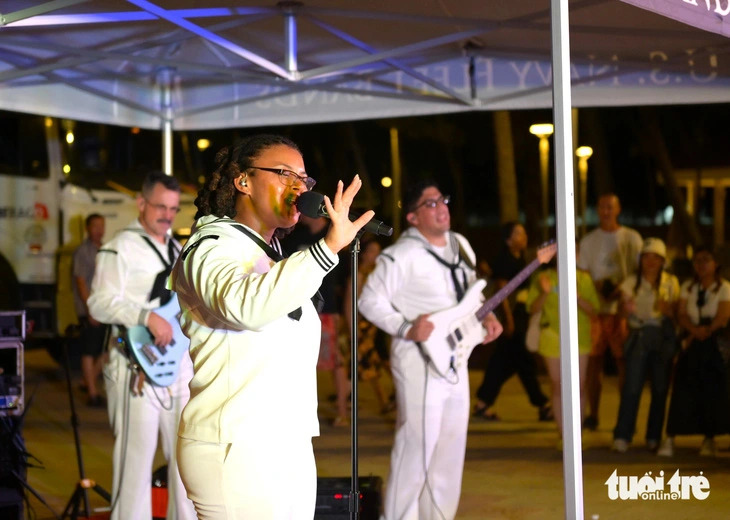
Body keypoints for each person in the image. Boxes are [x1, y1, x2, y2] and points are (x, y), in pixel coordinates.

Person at [170, 134, 373, 519]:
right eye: (284, 173)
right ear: (242, 180)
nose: (299, 186)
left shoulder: (272, 256)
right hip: (235, 447)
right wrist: (327, 249)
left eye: (305, 179)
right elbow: (245, 304)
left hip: (284, 442)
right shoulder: (210, 245)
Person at [358, 180, 502, 520]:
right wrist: (406, 326)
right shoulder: (401, 254)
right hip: (418, 359)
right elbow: (369, 301)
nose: (442, 208)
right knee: (416, 449)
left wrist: (488, 314)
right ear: (412, 217)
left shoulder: (461, 245)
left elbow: (469, 292)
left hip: (456, 358)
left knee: (450, 450)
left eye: (443, 200)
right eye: (431, 203)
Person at [87, 171, 196, 520]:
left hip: (177, 365)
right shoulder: (119, 246)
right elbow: (98, 303)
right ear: (141, 203)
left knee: (187, 463)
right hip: (135, 365)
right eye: (161, 207)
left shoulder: (177, 247)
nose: (167, 215)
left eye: (173, 208)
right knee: (135, 464)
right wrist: (144, 316)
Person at [473, 222, 552, 422]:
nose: (523, 237)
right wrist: (508, 320)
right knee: (521, 360)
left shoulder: (519, 258)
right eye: (517, 234)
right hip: (511, 316)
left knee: (507, 361)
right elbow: (502, 292)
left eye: (524, 233)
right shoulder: (505, 259)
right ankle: (542, 404)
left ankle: (483, 403)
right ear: (508, 239)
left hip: (519, 315)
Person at [577, 193, 642, 430]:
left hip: (621, 311)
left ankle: (625, 418)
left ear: (618, 209)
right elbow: (582, 274)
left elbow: (639, 270)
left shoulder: (632, 238)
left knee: (624, 362)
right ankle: (593, 414)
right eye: (602, 207)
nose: (606, 211)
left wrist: (620, 289)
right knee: (594, 365)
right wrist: (597, 289)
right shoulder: (589, 241)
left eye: (610, 207)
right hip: (596, 311)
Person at [658, 246, 730, 457]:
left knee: (713, 391)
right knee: (683, 388)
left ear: (716, 263)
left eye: (706, 260)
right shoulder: (689, 286)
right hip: (692, 341)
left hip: (714, 343)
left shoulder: (724, 287)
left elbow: (723, 316)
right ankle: (671, 436)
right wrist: (693, 331)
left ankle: (710, 438)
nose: (701, 265)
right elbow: (681, 314)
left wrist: (705, 331)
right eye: (697, 261)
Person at [611, 238, 679, 453]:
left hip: (662, 334)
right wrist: (625, 308)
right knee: (632, 386)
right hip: (639, 334)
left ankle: (653, 436)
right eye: (646, 257)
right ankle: (623, 434)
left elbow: (678, 312)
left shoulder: (671, 282)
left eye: (655, 258)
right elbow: (620, 312)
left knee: (660, 388)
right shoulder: (631, 281)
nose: (650, 262)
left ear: (662, 261)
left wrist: (669, 310)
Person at [526, 251, 599, 449]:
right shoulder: (543, 278)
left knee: (580, 385)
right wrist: (545, 292)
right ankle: (563, 435)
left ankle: (577, 433)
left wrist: (577, 297)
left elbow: (594, 310)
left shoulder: (583, 279)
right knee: (558, 385)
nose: (568, 255)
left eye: (573, 251)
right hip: (552, 336)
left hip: (579, 337)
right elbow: (531, 308)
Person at [282, 214, 350, 426]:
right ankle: (298, 413)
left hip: (328, 310)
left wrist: (347, 314)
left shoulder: (332, 236)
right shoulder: (295, 237)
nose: (299, 214)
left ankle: (342, 410)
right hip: (296, 308)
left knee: (336, 361)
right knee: (299, 361)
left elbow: (346, 279)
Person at [343, 235, 394, 415]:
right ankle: (383, 400)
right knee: (368, 363)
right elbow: (349, 303)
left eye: (377, 252)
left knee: (379, 360)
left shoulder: (378, 273)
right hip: (364, 327)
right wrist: (353, 328)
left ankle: (347, 398)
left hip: (378, 325)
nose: (375, 255)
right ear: (363, 254)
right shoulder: (359, 274)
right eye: (371, 251)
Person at [71, 213, 107, 407]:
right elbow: (80, 281)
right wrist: (89, 309)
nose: (100, 230)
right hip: (89, 309)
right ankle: (92, 393)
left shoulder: (105, 249)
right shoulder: (83, 252)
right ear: (87, 228)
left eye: (102, 226)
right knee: (89, 349)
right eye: (95, 226)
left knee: (107, 348)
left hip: (104, 308)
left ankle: (87, 381)